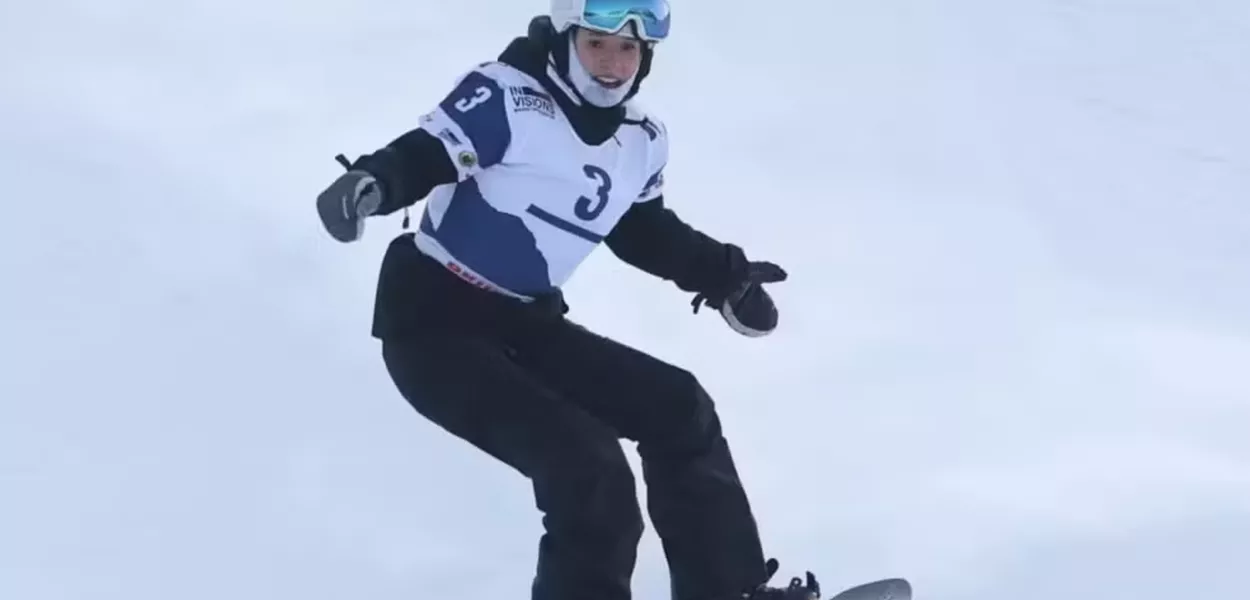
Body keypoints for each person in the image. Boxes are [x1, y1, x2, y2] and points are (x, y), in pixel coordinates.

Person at [315, 2, 819, 599]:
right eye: (596, 44)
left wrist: (722, 276)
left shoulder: (641, 140)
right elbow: (425, 153)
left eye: (628, 49)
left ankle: (727, 590)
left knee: (679, 407)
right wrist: (373, 182)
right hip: (434, 329)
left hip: (527, 327)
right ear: (565, 39)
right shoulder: (508, 96)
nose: (611, 64)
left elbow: (641, 231)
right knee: (589, 468)